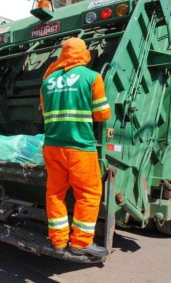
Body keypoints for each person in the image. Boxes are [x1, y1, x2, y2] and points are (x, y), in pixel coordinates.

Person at [39, 37, 111, 257]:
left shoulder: (47, 81)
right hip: (80, 147)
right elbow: (101, 114)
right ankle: (80, 243)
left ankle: (58, 242)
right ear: (84, 54)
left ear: (63, 54)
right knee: (88, 194)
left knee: (55, 194)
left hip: (52, 146)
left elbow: (43, 112)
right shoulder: (92, 77)